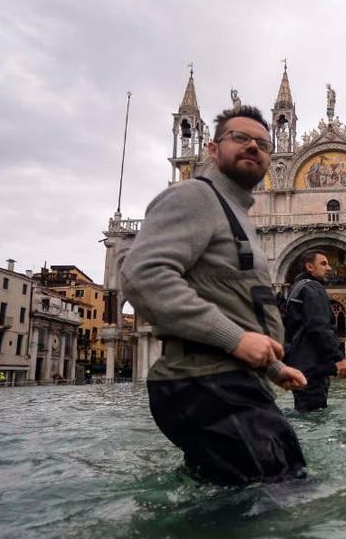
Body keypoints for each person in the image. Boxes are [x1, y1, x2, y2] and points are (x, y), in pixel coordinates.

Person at [119, 105, 309, 486]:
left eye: (262, 144)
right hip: (208, 384)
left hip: (227, 383)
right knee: (280, 495)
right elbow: (142, 275)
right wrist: (236, 340)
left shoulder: (235, 213)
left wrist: (273, 367)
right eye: (240, 138)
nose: (253, 147)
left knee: (251, 494)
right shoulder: (196, 196)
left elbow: (235, 304)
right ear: (212, 148)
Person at [283, 250, 346, 412]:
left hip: (298, 365)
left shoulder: (296, 288)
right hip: (312, 366)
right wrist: (338, 357)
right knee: (314, 414)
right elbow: (318, 326)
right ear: (309, 267)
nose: (329, 268)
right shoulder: (312, 288)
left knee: (304, 411)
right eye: (323, 264)